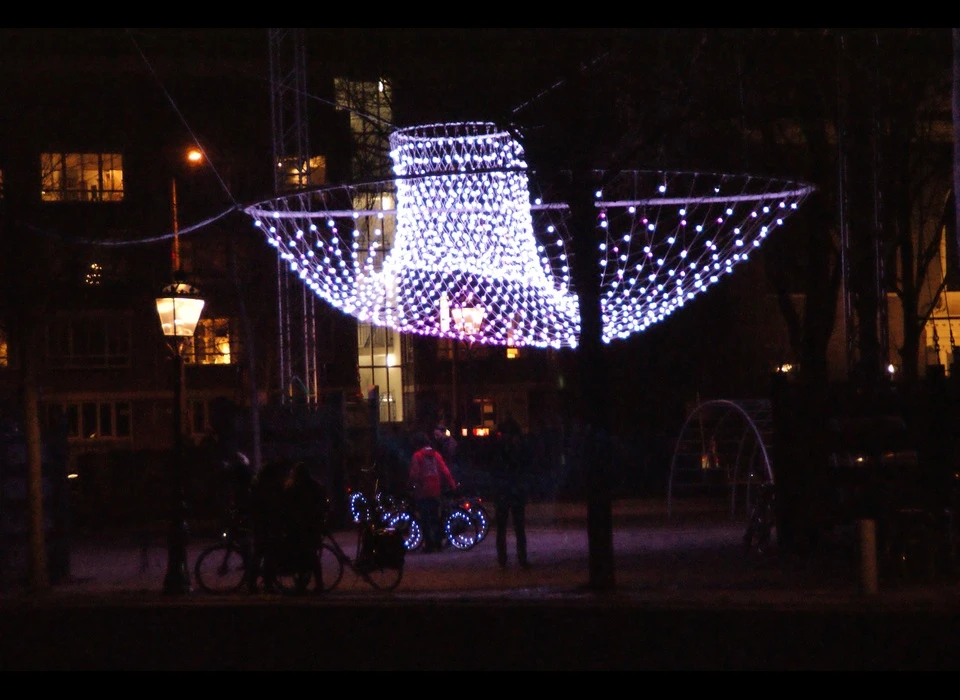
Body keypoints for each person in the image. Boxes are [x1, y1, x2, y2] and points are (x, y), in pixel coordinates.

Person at [280, 461, 329, 593]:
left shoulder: (295, 487)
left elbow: (289, 506)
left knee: (303, 555)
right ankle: (315, 583)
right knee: (311, 556)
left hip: (301, 527)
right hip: (312, 526)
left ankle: (304, 584)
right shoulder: (315, 486)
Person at [246, 458, 291, 593]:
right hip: (271, 526)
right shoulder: (275, 487)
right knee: (270, 556)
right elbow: (279, 505)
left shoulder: (257, 486)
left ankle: (252, 583)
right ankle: (268, 584)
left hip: (259, 526)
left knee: (258, 554)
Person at [407, 431, 457, 553]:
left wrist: (409, 485)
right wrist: (452, 485)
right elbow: (445, 471)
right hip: (436, 490)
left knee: (425, 519)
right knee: (435, 517)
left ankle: (429, 544)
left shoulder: (417, 456)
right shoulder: (436, 455)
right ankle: (438, 542)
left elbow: (414, 474)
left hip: (423, 491)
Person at [492, 424, 532, 569]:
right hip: (515, 491)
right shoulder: (519, 449)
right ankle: (521, 558)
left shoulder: (498, 449)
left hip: (504, 491)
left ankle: (503, 559)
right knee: (518, 527)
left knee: (503, 528)